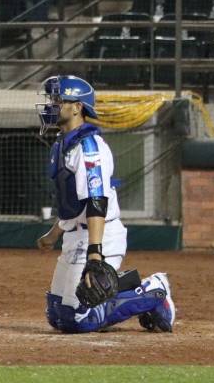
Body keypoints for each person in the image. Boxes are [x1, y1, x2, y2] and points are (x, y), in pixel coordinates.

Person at [34, 75, 175, 333]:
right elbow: (73, 205)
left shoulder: (89, 147)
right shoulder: (63, 145)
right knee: (56, 314)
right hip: (74, 237)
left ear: (77, 106)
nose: (51, 105)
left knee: (77, 319)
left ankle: (154, 290)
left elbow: (97, 202)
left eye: (57, 99)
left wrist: (95, 252)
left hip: (100, 235)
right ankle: (113, 294)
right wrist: (54, 234)